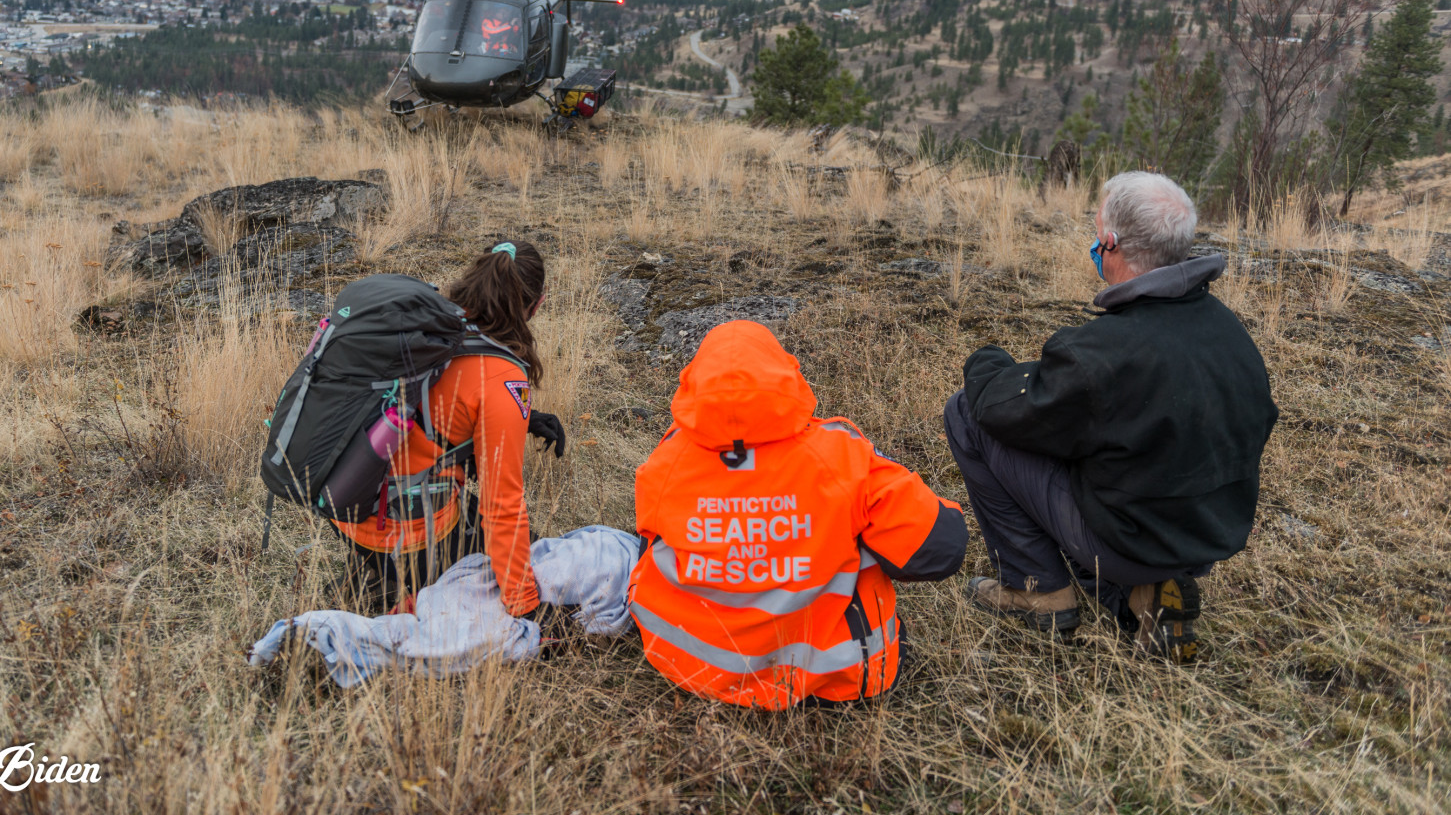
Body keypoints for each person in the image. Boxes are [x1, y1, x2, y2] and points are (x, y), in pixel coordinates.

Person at [945, 171, 1278, 662]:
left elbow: (1005, 410)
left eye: (1097, 230)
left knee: (966, 413)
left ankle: (1037, 591)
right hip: (1209, 534)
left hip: (1132, 537)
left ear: (1110, 242)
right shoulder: (1230, 332)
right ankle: (1142, 593)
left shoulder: (1100, 354)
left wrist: (987, 361)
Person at [629, 321, 968, 710]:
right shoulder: (842, 455)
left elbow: (646, 546)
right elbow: (942, 548)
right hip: (835, 680)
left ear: (692, 384)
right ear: (788, 376)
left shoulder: (665, 460)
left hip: (688, 669)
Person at [331, 240, 566, 618]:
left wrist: (526, 418)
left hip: (345, 502)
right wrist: (525, 606)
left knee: (469, 521)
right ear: (537, 304)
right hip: (401, 534)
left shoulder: (432, 328)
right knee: (540, 562)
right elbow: (502, 507)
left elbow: (435, 411)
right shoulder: (502, 379)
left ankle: (375, 570)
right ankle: (403, 607)